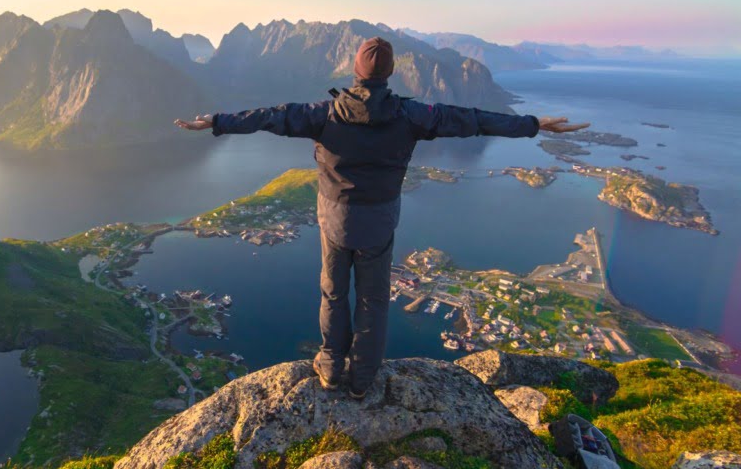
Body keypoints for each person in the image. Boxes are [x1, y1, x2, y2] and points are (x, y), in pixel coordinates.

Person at [174, 37, 589, 399]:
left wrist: (215, 122)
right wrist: (533, 125)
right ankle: (363, 379)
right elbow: (474, 120)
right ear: (389, 74)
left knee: (333, 293)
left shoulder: (324, 112)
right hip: (379, 223)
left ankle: (332, 366)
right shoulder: (413, 115)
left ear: (355, 71)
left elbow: (270, 116)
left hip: (335, 220)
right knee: (373, 300)